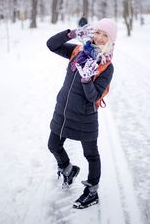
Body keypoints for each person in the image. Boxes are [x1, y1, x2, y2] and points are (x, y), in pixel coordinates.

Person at [46, 18, 117, 209]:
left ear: (111, 40)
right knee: (53, 145)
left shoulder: (107, 67)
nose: (100, 38)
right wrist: (71, 34)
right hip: (63, 110)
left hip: (85, 116)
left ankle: (92, 191)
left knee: (91, 155)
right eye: (98, 32)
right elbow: (51, 45)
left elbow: (93, 96)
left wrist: (87, 80)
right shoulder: (78, 51)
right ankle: (68, 170)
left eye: (105, 35)